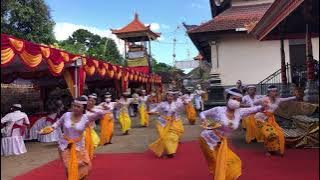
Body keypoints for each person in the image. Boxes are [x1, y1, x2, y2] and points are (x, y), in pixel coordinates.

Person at [199, 88, 268, 180]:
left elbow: (253, 109)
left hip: (222, 142)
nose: (236, 102)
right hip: (207, 140)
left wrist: (262, 107)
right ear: (227, 99)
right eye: (234, 99)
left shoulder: (239, 112)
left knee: (234, 162)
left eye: (239, 100)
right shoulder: (218, 110)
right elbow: (203, 113)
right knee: (218, 164)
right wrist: (204, 120)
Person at [39, 96, 93, 180]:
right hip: (65, 145)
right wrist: (48, 129)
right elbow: (57, 124)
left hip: (79, 145)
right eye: (74, 105)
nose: (75, 108)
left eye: (78, 106)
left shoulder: (86, 118)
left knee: (85, 166)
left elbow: (98, 116)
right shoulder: (66, 115)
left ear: (84, 108)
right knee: (70, 167)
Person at [253, 85, 297, 156]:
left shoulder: (278, 99)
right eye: (273, 91)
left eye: (276, 91)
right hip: (261, 118)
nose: (275, 93)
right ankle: (268, 150)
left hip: (271, 119)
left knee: (279, 133)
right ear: (269, 92)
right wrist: (262, 106)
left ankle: (273, 149)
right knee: (270, 133)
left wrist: (295, 97)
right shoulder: (265, 99)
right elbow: (254, 103)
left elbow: (287, 98)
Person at [148, 91, 187, 158]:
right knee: (164, 137)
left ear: (173, 97)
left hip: (174, 123)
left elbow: (182, 106)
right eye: (168, 96)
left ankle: (170, 152)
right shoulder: (162, 104)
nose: (170, 97)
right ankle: (170, 151)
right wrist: (151, 112)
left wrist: (184, 103)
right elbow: (156, 109)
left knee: (173, 137)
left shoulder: (177, 103)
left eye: (171, 96)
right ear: (166, 97)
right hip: (162, 123)